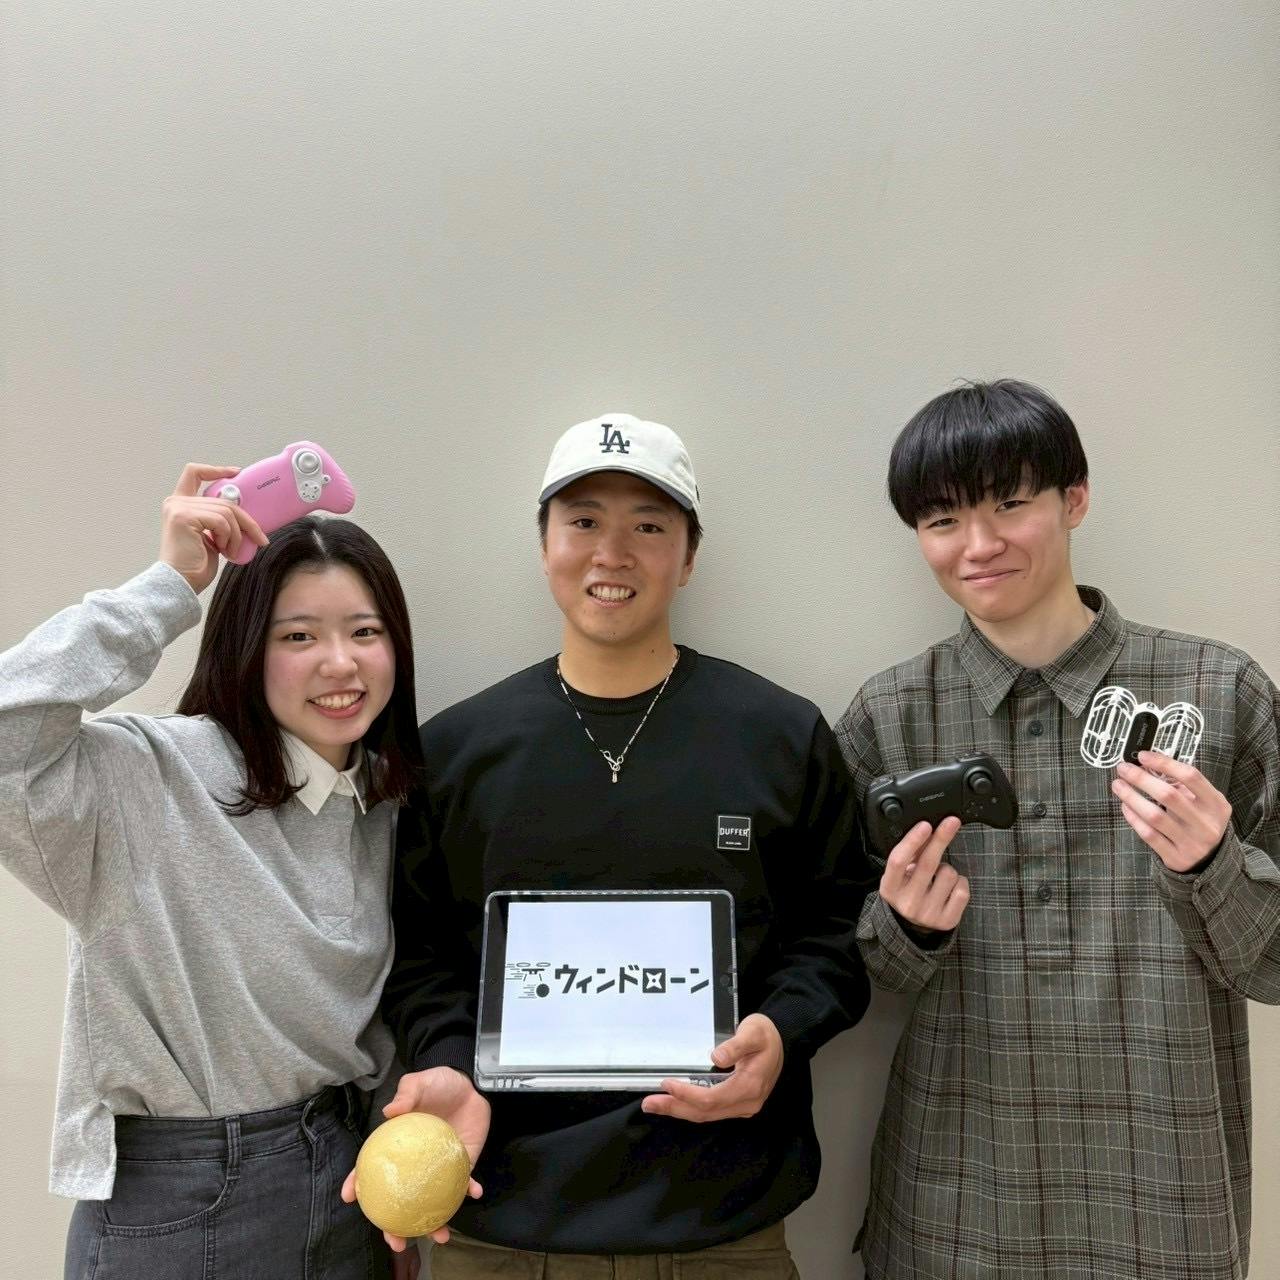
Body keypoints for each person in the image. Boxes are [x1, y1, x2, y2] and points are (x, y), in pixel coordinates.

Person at [352, 414, 872, 1278]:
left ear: (690, 556)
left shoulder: (779, 736)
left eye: (649, 526)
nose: (613, 552)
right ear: (545, 544)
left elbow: (838, 925)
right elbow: (416, 951)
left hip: (723, 1229)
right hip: (500, 1228)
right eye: (584, 521)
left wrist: (783, 1032)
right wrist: (446, 1062)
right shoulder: (455, 751)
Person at [835, 380, 1280, 1280]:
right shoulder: (889, 714)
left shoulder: (1219, 690)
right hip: (953, 1193)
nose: (979, 544)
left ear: (1074, 499)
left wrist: (1214, 866)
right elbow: (843, 968)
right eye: (943, 519)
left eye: (1010, 504)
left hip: (1168, 1188)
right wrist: (908, 927)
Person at [0, 463, 423, 1279]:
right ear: (246, 647)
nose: (340, 663)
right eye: (298, 636)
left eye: (365, 632)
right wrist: (168, 587)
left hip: (347, 1178)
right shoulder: (149, 773)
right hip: (183, 1197)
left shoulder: (383, 800)